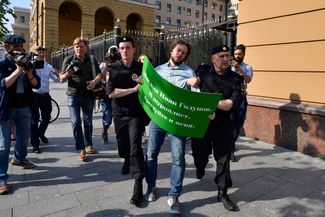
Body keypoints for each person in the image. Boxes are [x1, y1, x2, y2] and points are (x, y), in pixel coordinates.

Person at [145, 39, 200, 215]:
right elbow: (150, 89)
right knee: (151, 154)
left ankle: (174, 195)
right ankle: (151, 187)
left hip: (177, 120)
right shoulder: (158, 70)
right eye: (178, 51)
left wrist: (195, 85)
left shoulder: (189, 72)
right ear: (171, 52)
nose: (180, 54)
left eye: (184, 52)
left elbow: (195, 97)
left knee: (178, 158)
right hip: (159, 119)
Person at [191, 45, 244, 211]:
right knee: (199, 153)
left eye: (227, 56)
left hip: (224, 124)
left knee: (223, 160)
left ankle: (222, 192)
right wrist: (192, 82)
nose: (226, 59)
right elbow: (192, 87)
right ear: (213, 58)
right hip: (202, 123)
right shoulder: (202, 71)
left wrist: (207, 103)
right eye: (221, 56)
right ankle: (200, 166)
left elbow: (230, 105)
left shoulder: (236, 79)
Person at [106, 36, 146, 206]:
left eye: (128, 47)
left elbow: (151, 88)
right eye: (122, 48)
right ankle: (126, 159)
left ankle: (138, 185)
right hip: (119, 113)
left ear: (134, 49)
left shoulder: (142, 68)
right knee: (123, 144)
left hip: (136, 114)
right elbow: (110, 93)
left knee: (136, 145)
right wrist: (133, 89)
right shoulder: (112, 68)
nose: (125, 51)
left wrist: (144, 85)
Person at [0, 35, 41, 194]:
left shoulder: (28, 63)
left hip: (25, 107)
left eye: (21, 46)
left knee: (24, 138)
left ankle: (19, 158)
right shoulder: (3, 64)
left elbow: (36, 84)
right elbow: (3, 84)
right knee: (4, 146)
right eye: (15, 47)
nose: (19, 50)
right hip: (7, 108)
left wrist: (29, 72)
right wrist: (18, 70)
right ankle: (2, 178)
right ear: (7, 47)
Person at [60, 37, 101, 161]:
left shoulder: (92, 59)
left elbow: (100, 74)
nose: (79, 49)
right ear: (74, 48)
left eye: (81, 46)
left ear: (86, 48)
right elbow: (61, 78)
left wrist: (94, 82)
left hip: (88, 95)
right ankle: (80, 149)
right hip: (73, 95)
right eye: (77, 46)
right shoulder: (68, 59)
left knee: (88, 122)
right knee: (76, 122)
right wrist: (68, 73)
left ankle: (88, 145)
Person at [30, 46, 60, 153]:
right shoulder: (31, 65)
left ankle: (40, 133)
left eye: (43, 53)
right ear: (35, 53)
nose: (41, 54)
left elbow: (57, 80)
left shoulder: (48, 66)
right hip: (34, 95)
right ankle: (35, 144)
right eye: (39, 52)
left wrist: (57, 74)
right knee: (34, 119)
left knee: (47, 117)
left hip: (45, 95)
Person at [230, 44, 253, 161]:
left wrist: (239, 68)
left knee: (238, 125)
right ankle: (230, 149)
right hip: (229, 99)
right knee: (230, 124)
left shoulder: (248, 67)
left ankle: (231, 144)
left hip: (242, 99)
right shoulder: (228, 66)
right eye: (236, 54)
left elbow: (248, 80)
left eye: (240, 54)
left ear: (244, 54)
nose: (237, 56)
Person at [98, 45, 120, 144]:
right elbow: (99, 77)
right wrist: (103, 81)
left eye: (114, 57)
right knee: (107, 116)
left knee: (119, 118)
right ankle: (104, 131)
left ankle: (121, 136)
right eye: (111, 57)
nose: (112, 59)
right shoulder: (103, 66)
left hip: (118, 96)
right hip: (106, 96)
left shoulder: (121, 65)